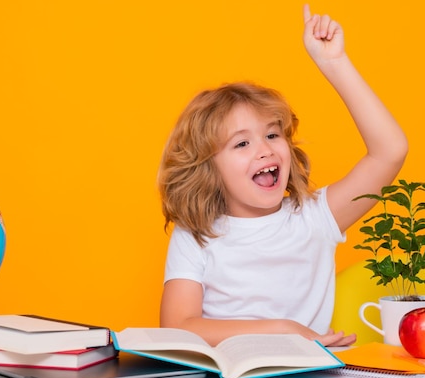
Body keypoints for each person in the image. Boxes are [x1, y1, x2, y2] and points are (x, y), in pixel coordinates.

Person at [157, 5, 408, 347]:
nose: (265, 150)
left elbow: (389, 151)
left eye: (273, 135)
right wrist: (283, 330)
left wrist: (334, 63)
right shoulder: (197, 234)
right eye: (242, 143)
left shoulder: (316, 217)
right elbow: (178, 327)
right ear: (208, 168)